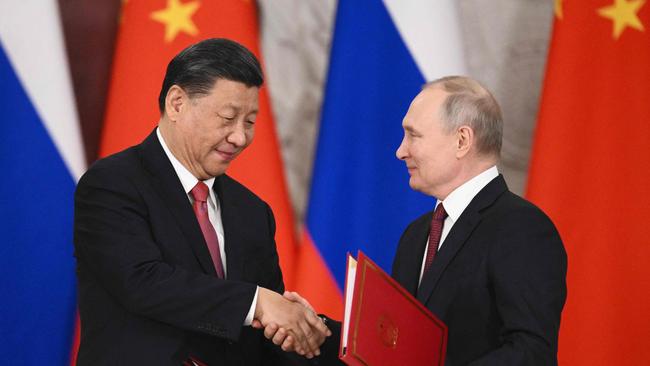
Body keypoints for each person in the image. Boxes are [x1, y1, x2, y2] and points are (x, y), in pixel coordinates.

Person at [272, 76, 567, 365]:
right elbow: (394, 346)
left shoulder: (521, 228)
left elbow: (531, 353)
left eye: (413, 135)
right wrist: (314, 329)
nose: (401, 151)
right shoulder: (417, 234)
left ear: (462, 140)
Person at [73, 38, 329, 365]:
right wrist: (258, 303)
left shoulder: (252, 212)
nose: (240, 137)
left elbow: (266, 335)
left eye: (250, 122)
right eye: (227, 118)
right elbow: (142, 282)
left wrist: (305, 328)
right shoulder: (111, 184)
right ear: (177, 103)